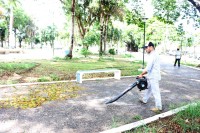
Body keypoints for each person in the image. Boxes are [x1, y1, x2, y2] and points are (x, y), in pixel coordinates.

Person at [138, 42, 162, 112]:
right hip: (153, 75)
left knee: (155, 91)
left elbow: (148, 68)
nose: (145, 49)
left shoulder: (153, 55)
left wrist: (141, 74)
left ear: (151, 47)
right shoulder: (154, 54)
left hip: (154, 76)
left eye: (146, 48)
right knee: (149, 89)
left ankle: (158, 106)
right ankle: (144, 99)